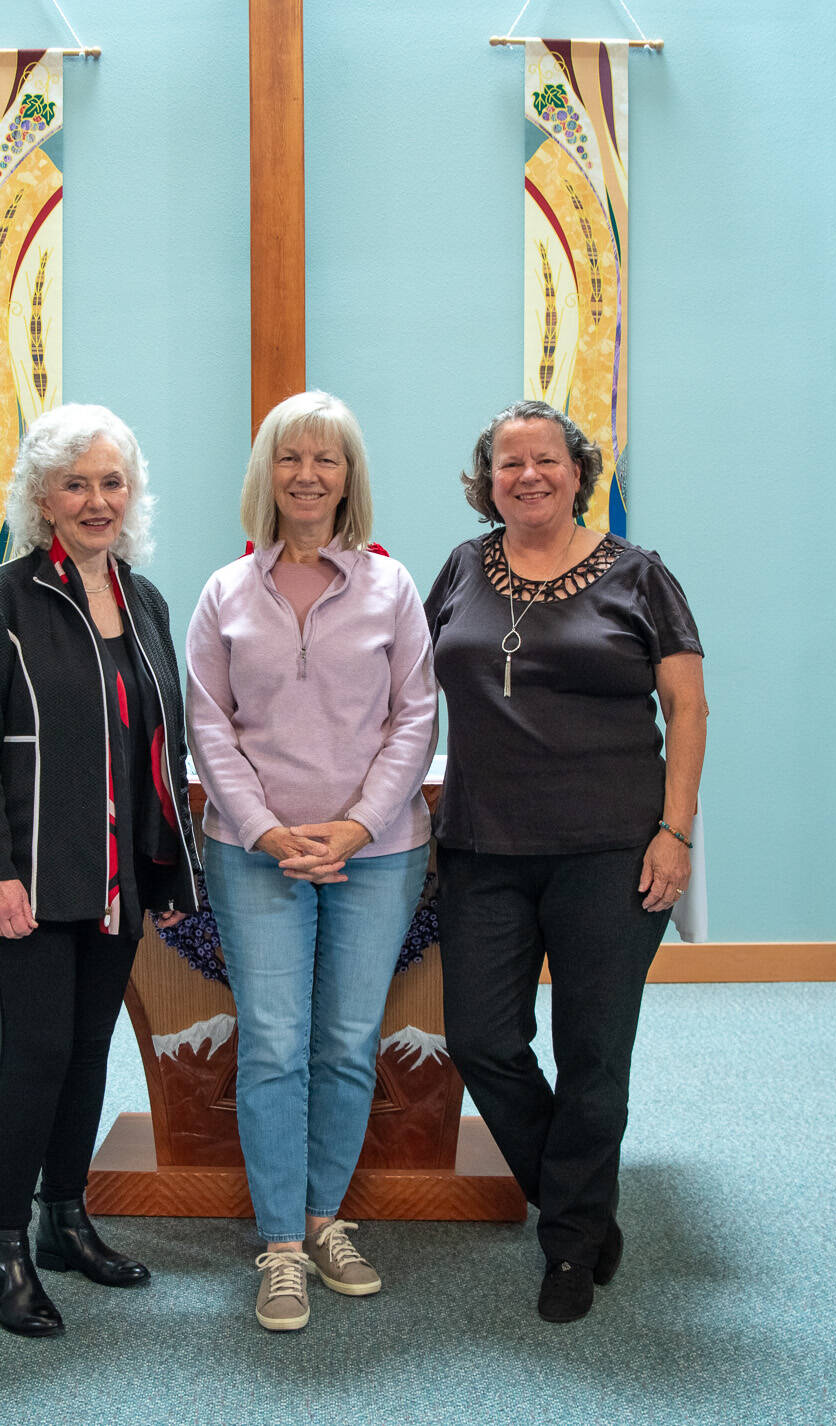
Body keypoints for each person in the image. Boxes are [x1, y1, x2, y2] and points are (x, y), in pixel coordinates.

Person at [423, 399, 707, 1325]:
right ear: (487, 480)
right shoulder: (464, 568)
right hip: (481, 846)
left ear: (579, 471)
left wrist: (677, 830)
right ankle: (576, 1196)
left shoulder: (640, 575)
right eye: (510, 463)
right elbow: (394, 679)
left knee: (593, 1051)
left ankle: (571, 1246)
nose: (529, 475)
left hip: (612, 851)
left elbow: (689, 709)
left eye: (547, 459)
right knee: (480, 1039)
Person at [185, 391, 437, 1332]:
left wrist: (359, 827)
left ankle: (328, 1219)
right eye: (290, 458)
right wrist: (265, 831)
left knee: (344, 1043)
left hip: (377, 853)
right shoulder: (223, 591)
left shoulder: (392, 586)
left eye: (326, 459)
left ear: (349, 477)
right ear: (266, 474)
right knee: (276, 1043)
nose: (307, 475)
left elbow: (417, 714)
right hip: (255, 856)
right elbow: (207, 724)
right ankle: (282, 1245)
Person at [0, 403, 201, 1338]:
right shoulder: (3, 596)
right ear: (42, 497)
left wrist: (167, 870)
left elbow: (157, 744)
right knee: (37, 1053)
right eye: (75, 483)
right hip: (31, 877)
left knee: (89, 1052)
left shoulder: (145, 602)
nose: (97, 501)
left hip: (116, 878)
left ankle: (66, 1220)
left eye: (112, 482)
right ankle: (2, 1247)